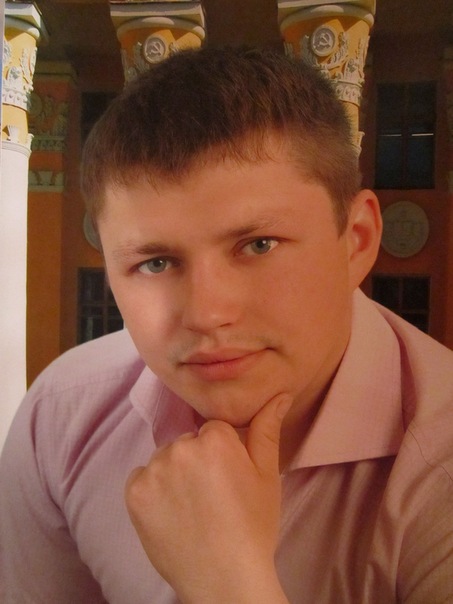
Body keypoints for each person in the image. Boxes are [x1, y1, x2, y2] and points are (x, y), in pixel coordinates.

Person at [1, 46, 453, 604]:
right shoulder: (61, 416)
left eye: (259, 245)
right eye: (155, 263)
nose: (207, 315)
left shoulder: (439, 464)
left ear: (356, 241)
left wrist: (227, 584)